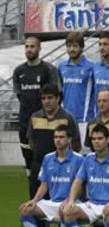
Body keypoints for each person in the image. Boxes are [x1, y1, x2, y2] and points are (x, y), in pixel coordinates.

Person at [13, 35, 59, 198]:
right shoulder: (19, 71)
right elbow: (20, 94)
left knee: (48, 161)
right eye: (26, 46)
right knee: (29, 162)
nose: (29, 49)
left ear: (39, 49)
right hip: (25, 124)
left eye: (32, 46)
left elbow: (56, 94)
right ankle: (33, 195)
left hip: (45, 125)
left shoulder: (48, 70)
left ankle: (52, 195)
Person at [60, 123, 109, 226]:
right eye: (93, 139)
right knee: (68, 212)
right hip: (91, 205)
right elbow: (78, 181)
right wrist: (71, 200)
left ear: (108, 140)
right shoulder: (88, 159)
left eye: (100, 138)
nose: (96, 142)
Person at [19, 125, 83, 226]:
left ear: (69, 139)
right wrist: (34, 200)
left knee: (66, 212)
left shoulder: (79, 159)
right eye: (55, 137)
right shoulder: (48, 158)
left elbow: (81, 187)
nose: (58, 140)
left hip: (73, 203)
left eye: (61, 137)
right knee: (27, 210)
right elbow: (44, 184)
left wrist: (70, 201)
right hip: (52, 203)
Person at [28, 83, 81, 201]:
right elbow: (31, 142)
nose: (46, 101)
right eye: (43, 98)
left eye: (50, 97)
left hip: (62, 169)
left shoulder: (68, 118)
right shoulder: (35, 117)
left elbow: (76, 144)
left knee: (60, 206)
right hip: (38, 166)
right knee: (35, 206)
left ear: (58, 98)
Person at [58, 31, 95, 139]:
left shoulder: (91, 66)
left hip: (85, 119)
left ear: (82, 47)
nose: (72, 49)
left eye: (75, 46)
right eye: (69, 46)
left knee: (84, 154)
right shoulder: (61, 66)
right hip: (65, 119)